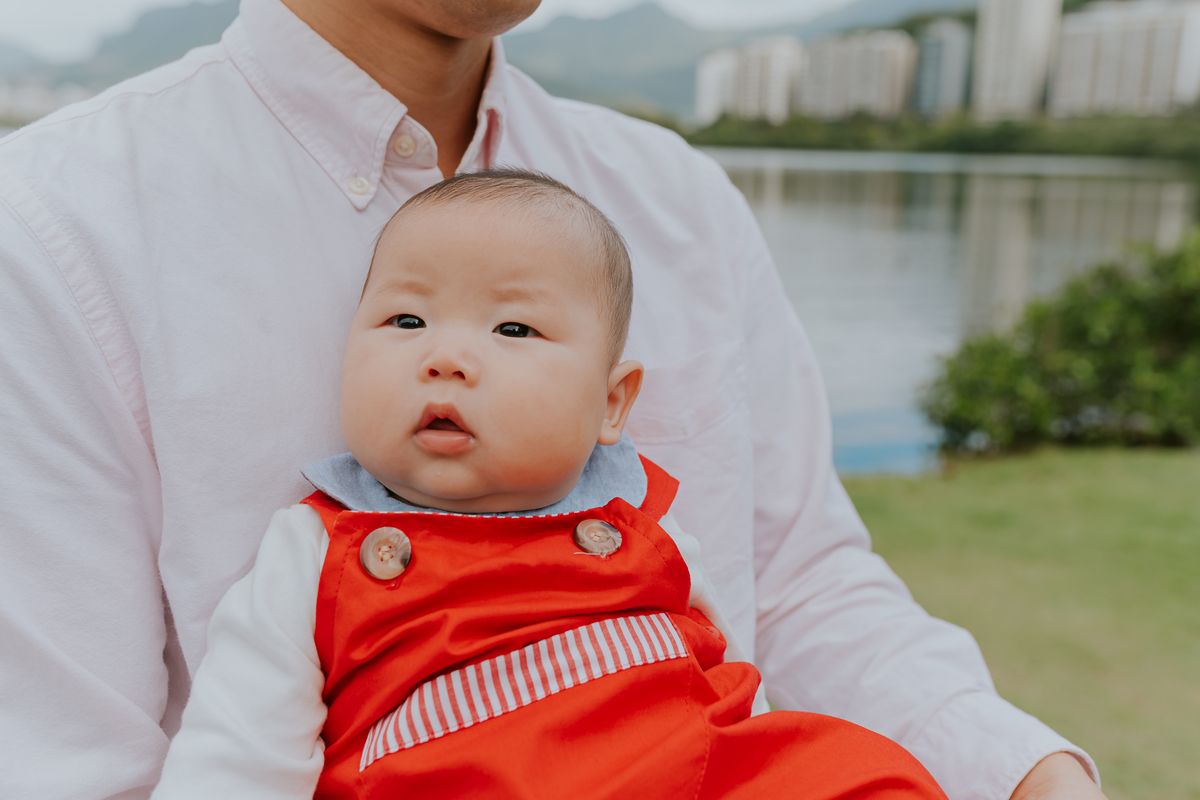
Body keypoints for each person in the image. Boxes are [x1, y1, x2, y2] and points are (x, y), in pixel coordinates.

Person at [0, 1, 1104, 798]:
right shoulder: (57, 231)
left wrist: (1026, 773)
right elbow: (68, 763)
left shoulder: (676, 200)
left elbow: (802, 583)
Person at [149, 168, 949, 799]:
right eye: (406, 321)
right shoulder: (317, 551)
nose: (446, 357)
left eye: (513, 329)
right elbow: (239, 758)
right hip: (456, 778)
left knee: (870, 775)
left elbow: (735, 687)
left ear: (611, 403)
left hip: (685, 768)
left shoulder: (645, 530)